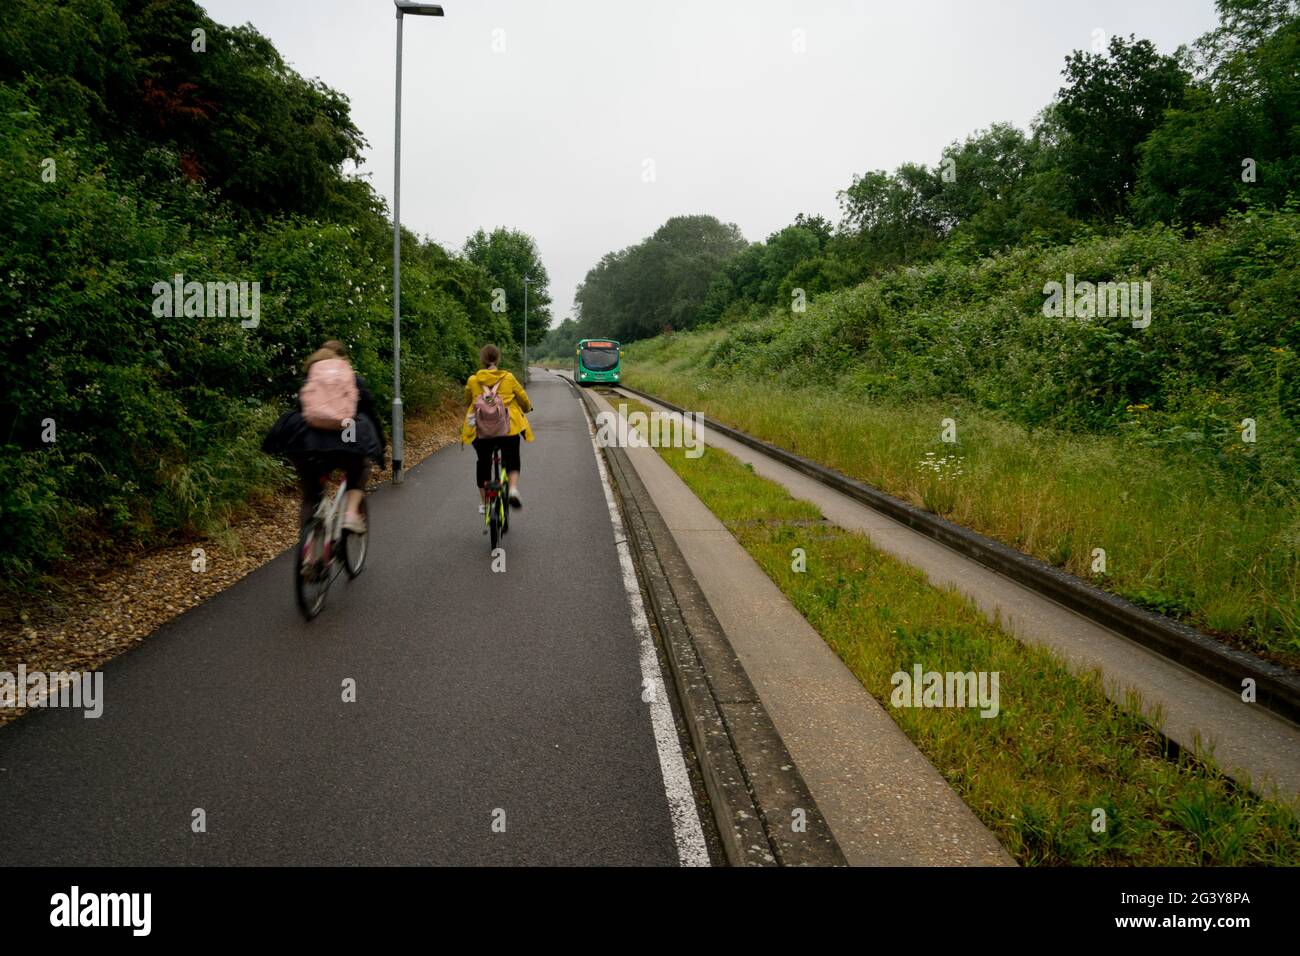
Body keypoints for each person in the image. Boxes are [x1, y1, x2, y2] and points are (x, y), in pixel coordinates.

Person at [263, 340, 386, 532]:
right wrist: (380, 446)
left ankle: (309, 554)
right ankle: (351, 514)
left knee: (311, 496)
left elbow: (302, 407)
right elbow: (370, 413)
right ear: (343, 357)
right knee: (359, 467)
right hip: (346, 433)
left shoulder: (311, 375)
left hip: (307, 440)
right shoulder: (352, 378)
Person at [462, 344, 533, 511]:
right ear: (498, 359)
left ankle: (485, 503)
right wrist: (527, 408)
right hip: (507, 430)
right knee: (512, 457)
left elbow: (467, 401)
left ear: (482, 360)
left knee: (483, 462)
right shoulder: (508, 377)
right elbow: (522, 397)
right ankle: (513, 490)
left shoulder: (473, 380)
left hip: (481, 431)